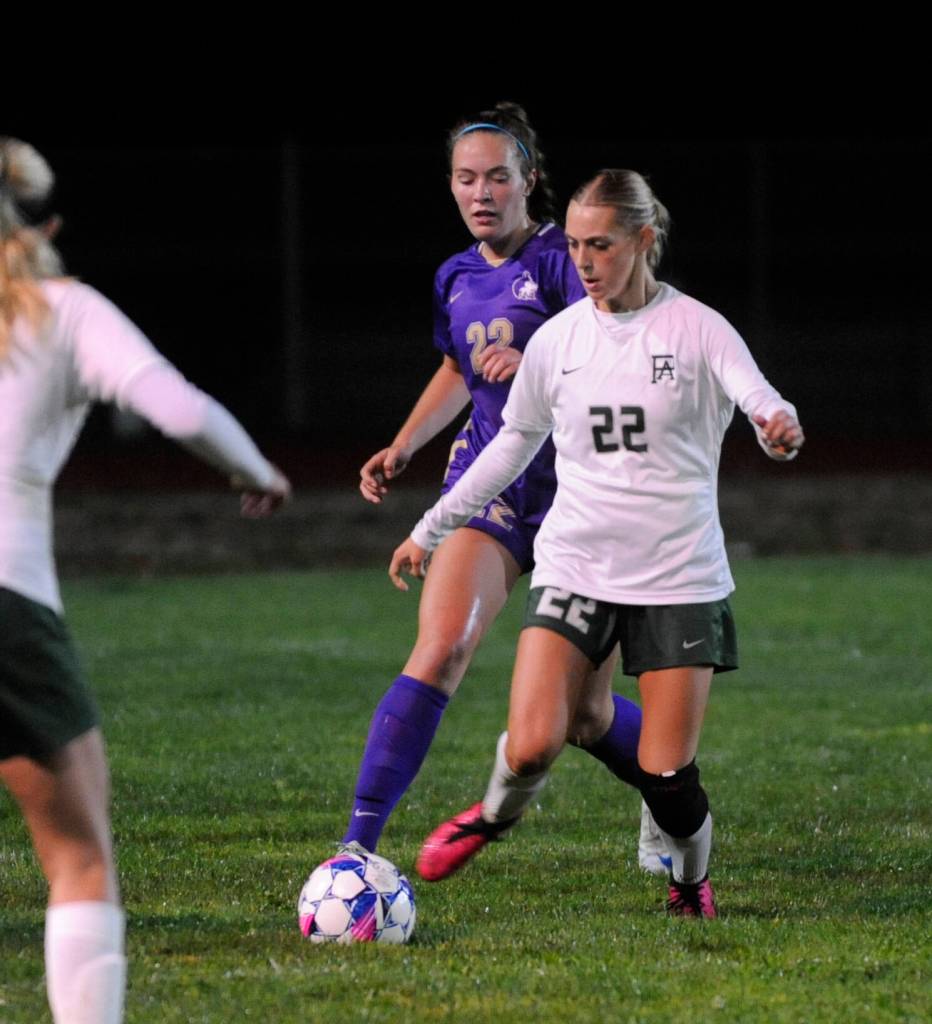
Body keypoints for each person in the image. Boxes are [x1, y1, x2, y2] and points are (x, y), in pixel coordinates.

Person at [393, 168, 805, 917]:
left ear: (643, 240)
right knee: (531, 745)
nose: (582, 261)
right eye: (576, 244)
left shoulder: (698, 328)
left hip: (678, 578)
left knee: (667, 779)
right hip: (575, 566)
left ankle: (689, 884)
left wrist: (778, 428)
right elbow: (510, 443)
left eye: (601, 245)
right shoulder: (559, 339)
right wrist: (432, 527)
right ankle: (490, 818)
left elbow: (760, 400)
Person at [0, 138, 290, 1023]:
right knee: (79, 857)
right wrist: (256, 472)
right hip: (8, 600)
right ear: (46, 227)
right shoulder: (63, 310)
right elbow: (179, 407)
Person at [342, 105, 660, 870]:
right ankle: (356, 850)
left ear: (529, 181)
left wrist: (541, 367)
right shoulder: (455, 276)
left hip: (580, 495)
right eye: (465, 178)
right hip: (493, 485)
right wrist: (405, 443)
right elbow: (458, 367)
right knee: (442, 646)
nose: (480, 193)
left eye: (496, 177)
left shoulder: (564, 259)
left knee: (585, 717)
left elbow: (622, 342)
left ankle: (670, 785)